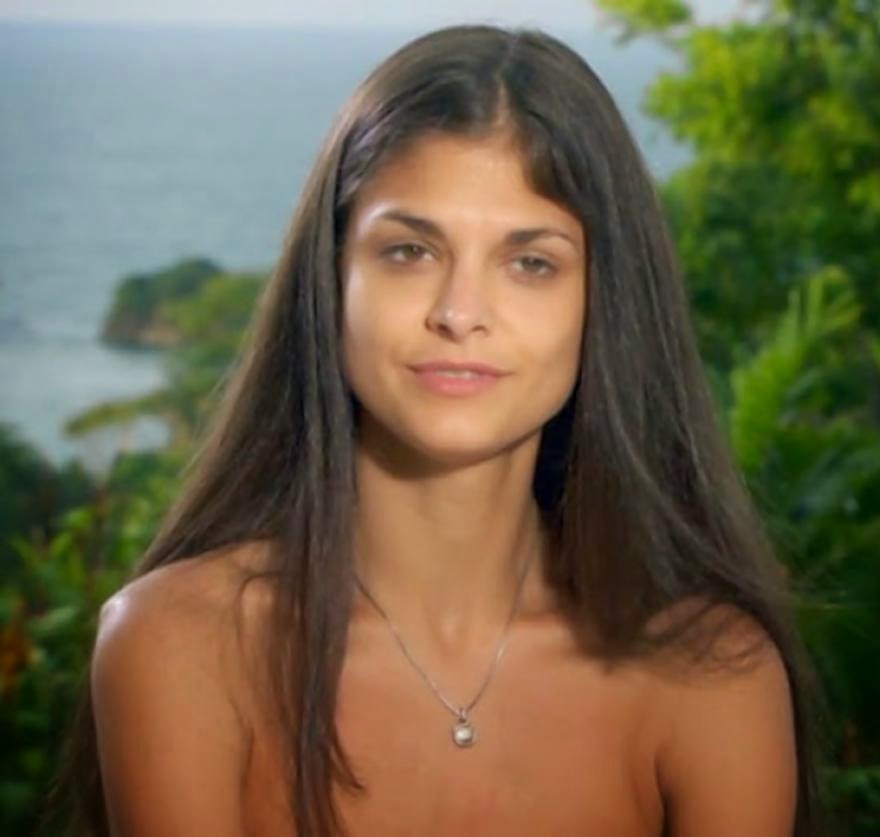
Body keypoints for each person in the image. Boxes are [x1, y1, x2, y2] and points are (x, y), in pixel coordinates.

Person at [57, 23, 827, 837]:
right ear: (333, 278)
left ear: (605, 303)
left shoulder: (712, 676)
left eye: (531, 262)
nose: (460, 313)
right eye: (409, 251)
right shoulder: (180, 646)